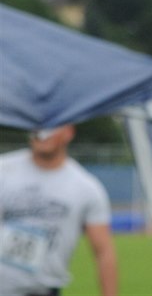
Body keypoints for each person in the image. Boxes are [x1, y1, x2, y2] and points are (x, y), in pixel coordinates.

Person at [0, 125, 118, 296]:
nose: (42, 134)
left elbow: (103, 252)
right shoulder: (3, 170)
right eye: (38, 126)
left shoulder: (86, 188)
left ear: (69, 132)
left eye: (51, 127)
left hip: (42, 290)